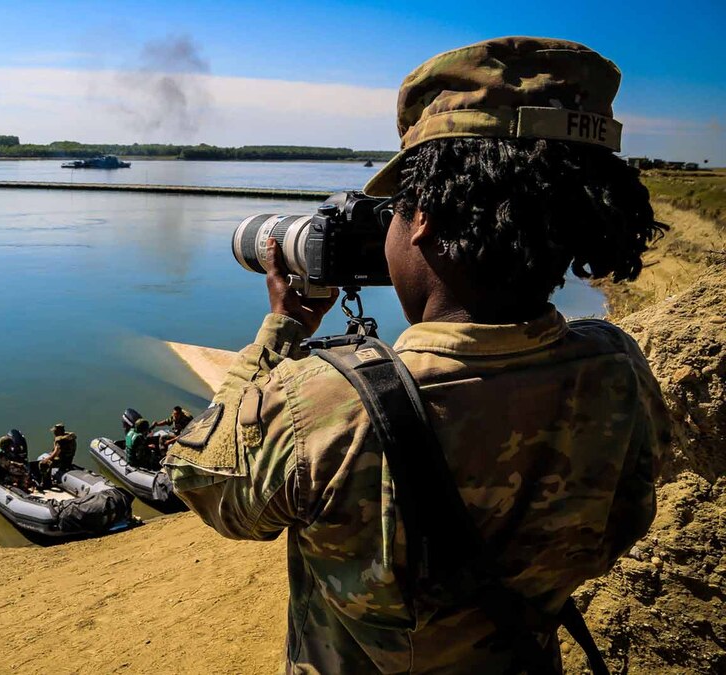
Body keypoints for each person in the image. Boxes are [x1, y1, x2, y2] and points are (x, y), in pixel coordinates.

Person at [165, 37, 670, 674]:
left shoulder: (325, 407)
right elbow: (630, 512)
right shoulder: (618, 366)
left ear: (425, 215)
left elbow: (202, 481)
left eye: (395, 213)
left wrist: (281, 328)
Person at [38, 423, 77, 489]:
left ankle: (46, 483)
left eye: (55, 431)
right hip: (69, 460)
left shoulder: (59, 440)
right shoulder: (70, 437)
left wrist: (47, 459)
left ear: (58, 431)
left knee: (43, 464)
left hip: (62, 461)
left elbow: (57, 451)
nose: (54, 432)